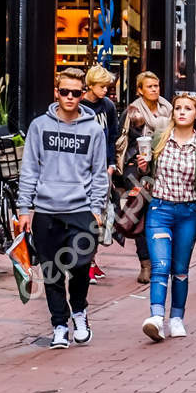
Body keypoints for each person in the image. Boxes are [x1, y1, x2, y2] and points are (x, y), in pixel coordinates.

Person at [15, 68, 108, 349]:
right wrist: (24, 209)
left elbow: (99, 173)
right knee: (52, 271)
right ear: (57, 92)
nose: (70, 97)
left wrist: (97, 208)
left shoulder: (93, 129)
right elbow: (29, 169)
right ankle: (59, 325)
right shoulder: (39, 126)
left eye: (76, 93)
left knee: (80, 267)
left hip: (81, 209)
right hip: (46, 210)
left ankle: (78, 311)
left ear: (83, 94)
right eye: (64, 91)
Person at [140, 92, 196, 341]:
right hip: (159, 210)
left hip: (188, 212)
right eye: (177, 108)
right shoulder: (160, 139)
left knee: (180, 269)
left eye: (187, 109)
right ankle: (155, 318)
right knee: (160, 266)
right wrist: (143, 167)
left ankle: (176, 318)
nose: (182, 112)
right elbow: (147, 171)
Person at [117, 71, 169, 284]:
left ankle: (161, 261)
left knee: (160, 214)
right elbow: (121, 141)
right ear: (139, 90)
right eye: (149, 86)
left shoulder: (169, 109)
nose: (155, 90)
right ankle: (146, 264)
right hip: (137, 170)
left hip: (163, 168)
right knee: (140, 214)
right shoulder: (132, 112)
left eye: (156, 85)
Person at [80, 65, 120, 282]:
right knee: (87, 214)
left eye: (107, 86)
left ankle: (92, 260)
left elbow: (112, 136)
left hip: (104, 167)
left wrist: (112, 163)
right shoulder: (80, 105)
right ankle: (87, 262)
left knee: (101, 215)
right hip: (83, 168)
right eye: (101, 86)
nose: (105, 90)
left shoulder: (108, 106)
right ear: (91, 85)